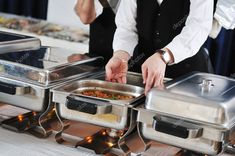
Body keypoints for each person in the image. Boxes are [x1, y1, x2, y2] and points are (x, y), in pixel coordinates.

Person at [105, 0, 214, 95]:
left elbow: (199, 27)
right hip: (144, 74)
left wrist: (164, 56)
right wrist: (120, 55)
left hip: (187, 77)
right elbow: (126, 26)